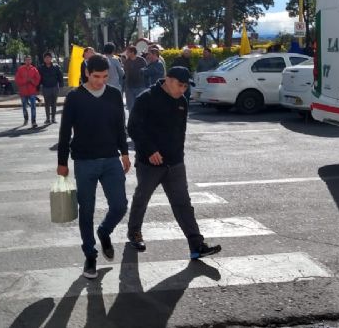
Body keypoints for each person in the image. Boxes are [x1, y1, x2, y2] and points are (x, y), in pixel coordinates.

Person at [126, 66, 222, 260]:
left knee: (183, 204)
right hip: (149, 163)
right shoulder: (147, 98)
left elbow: (181, 132)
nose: (183, 90)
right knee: (142, 199)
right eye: (180, 85)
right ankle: (134, 232)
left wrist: (179, 155)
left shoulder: (182, 102)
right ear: (168, 80)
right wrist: (149, 150)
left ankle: (197, 245)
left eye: (186, 86)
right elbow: (133, 128)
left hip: (175, 163)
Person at [58, 54, 131, 279]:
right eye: (96, 76)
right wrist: (62, 162)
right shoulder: (75, 97)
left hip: (111, 159)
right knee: (86, 211)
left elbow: (120, 126)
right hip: (84, 161)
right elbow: (64, 131)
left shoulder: (114, 94)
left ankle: (104, 231)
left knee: (119, 206)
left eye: (105, 77)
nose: (101, 81)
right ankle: (90, 255)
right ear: (87, 74)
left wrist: (125, 153)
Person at [15, 55, 41, 128]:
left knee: (33, 107)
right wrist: (25, 81)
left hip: (32, 91)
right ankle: (26, 118)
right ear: (24, 61)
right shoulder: (20, 69)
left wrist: (32, 81)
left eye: (29, 60)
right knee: (24, 106)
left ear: (31, 61)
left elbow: (38, 79)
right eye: (26, 60)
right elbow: (17, 80)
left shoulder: (34, 69)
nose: (28, 61)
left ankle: (33, 121)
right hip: (23, 92)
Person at [38, 52, 64, 124]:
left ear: (51, 58)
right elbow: (39, 78)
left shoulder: (56, 67)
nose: (47, 59)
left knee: (54, 104)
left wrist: (61, 85)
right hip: (46, 88)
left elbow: (60, 77)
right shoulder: (41, 68)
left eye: (49, 57)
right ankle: (47, 119)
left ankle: (53, 118)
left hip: (55, 88)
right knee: (47, 104)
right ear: (44, 59)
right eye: (46, 58)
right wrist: (38, 88)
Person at [123, 45, 148, 112]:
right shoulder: (126, 61)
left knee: (141, 106)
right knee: (131, 107)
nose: (126, 53)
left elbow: (146, 71)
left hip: (140, 86)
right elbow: (125, 73)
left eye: (128, 52)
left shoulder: (142, 60)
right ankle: (132, 121)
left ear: (133, 52)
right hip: (129, 87)